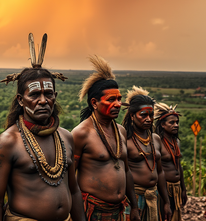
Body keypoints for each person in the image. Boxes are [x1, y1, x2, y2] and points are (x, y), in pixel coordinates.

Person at [0, 33, 86, 221]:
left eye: (48, 94)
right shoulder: (7, 143)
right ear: (21, 100)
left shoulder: (66, 137)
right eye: (34, 95)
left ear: (55, 96)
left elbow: (74, 191)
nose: (42, 101)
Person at [72, 55, 139, 221]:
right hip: (92, 211)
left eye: (119, 99)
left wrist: (135, 206)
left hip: (120, 209)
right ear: (94, 103)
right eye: (111, 100)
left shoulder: (121, 131)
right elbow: (69, 178)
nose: (118, 104)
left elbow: (126, 170)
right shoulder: (81, 134)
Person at [122, 86, 171, 221]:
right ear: (132, 115)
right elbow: (124, 174)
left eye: (151, 115)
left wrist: (166, 202)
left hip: (153, 195)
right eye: (143, 115)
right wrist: (133, 206)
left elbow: (160, 172)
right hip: (134, 197)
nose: (149, 119)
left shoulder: (155, 139)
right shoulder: (125, 140)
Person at [154, 103, 187, 221]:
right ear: (162, 124)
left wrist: (183, 188)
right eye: (171, 123)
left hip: (176, 187)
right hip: (163, 189)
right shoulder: (157, 142)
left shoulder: (176, 142)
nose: (176, 125)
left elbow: (179, 166)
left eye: (177, 122)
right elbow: (157, 169)